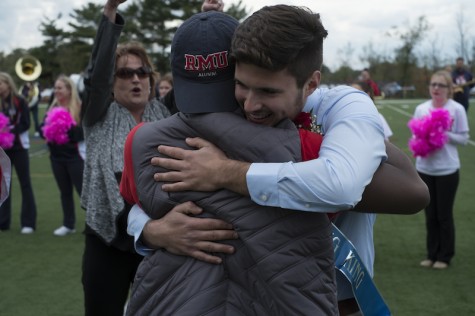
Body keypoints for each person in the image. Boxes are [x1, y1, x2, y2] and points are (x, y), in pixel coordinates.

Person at [125, 4, 429, 315]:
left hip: (338, 296)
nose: (250, 105)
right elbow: (136, 202)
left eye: (268, 91)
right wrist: (150, 229)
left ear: (310, 84)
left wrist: (226, 173)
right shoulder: (189, 131)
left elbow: (366, 187)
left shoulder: (338, 112)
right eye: (240, 86)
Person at [80, 0, 170, 314]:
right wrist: (110, 13)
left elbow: (195, 74)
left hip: (159, 235)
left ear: (150, 77)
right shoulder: (98, 113)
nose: (135, 78)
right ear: (112, 81)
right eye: (125, 72)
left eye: (142, 71)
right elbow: (97, 76)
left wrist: (207, 18)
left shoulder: (167, 114)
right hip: (107, 239)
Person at [412, 70, 469, 270]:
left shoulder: (457, 109)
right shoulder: (421, 109)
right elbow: (414, 137)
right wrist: (417, 144)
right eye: (433, 84)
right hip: (424, 168)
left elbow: (463, 138)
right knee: (430, 215)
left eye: (441, 85)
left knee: (444, 214)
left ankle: (444, 256)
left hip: (447, 170)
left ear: (449, 89)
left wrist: (443, 134)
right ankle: (431, 254)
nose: (436, 88)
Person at [41, 75, 84, 236]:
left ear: (69, 89)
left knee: (83, 193)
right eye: (55, 88)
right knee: (64, 192)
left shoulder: (78, 107)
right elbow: (42, 129)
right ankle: (68, 224)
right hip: (56, 157)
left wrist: (65, 126)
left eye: (60, 88)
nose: (56, 91)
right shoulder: (52, 107)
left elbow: (81, 134)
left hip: (75, 157)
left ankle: (94, 225)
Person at [0, 72, 37, 234]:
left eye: (1, 83)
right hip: (2, 149)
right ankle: (3, 222)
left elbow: (26, 123)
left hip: (19, 147)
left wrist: (9, 131)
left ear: (8, 84)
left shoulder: (20, 100)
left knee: (25, 183)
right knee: (3, 184)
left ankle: (28, 222)